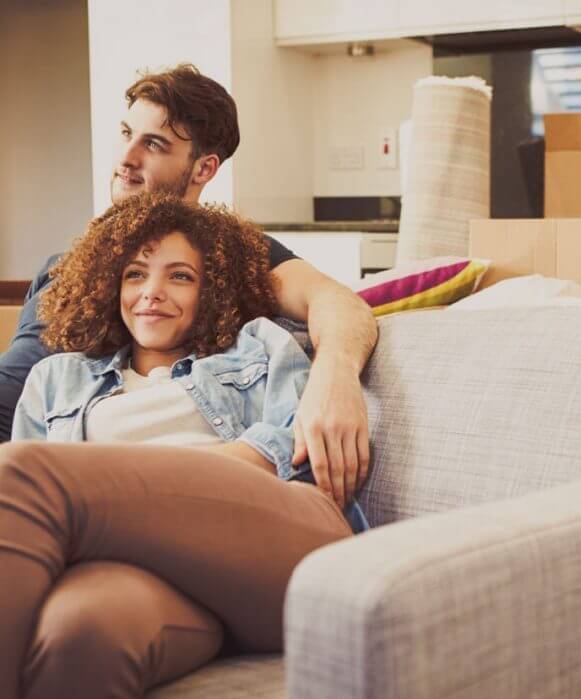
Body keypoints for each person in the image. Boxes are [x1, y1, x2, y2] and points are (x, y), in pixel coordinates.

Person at [1, 192, 369, 699]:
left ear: (213, 290)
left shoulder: (257, 346)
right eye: (135, 274)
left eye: (180, 276)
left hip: (282, 548)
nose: (152, 292)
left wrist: (124, 495)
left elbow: (288, 457)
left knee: (18, 474)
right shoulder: (55, 379)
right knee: (79, 633)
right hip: (137, 574)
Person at [0, 63, 378, 510]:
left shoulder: (236, 256)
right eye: (126, 134)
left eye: (154, 144)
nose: (126, 157)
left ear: (203, 167)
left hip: (112, 493)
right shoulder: (65, 271)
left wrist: (335, 375)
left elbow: (334, 300)